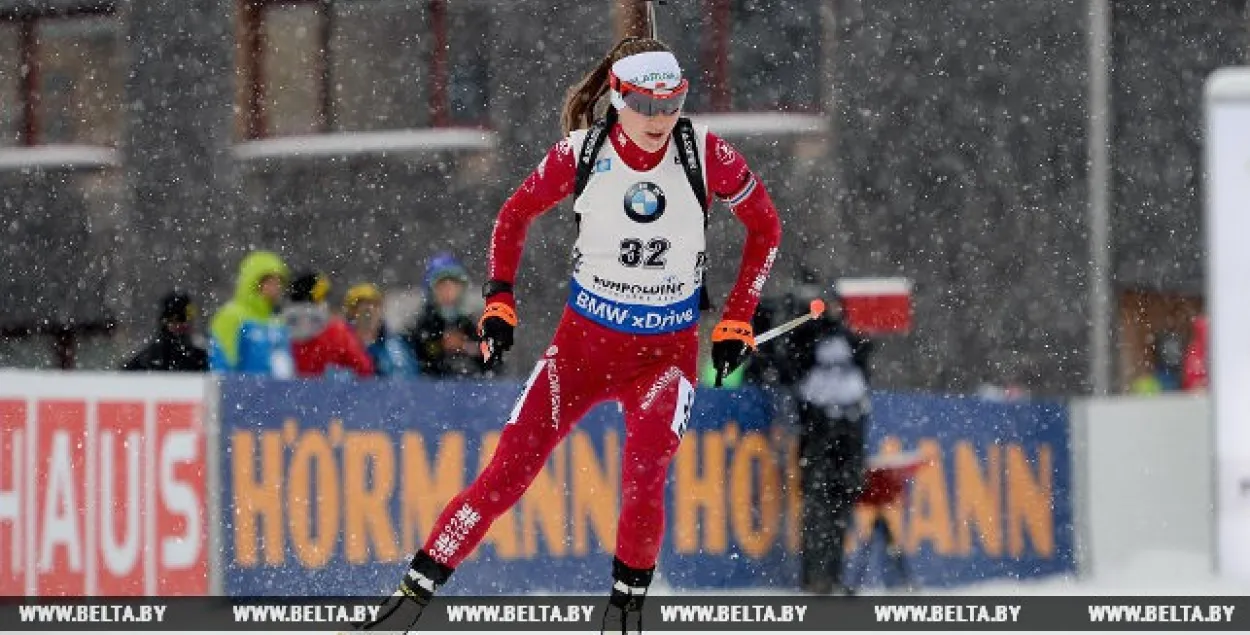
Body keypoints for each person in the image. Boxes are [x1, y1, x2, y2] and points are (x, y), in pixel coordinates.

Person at [360, 36, 781, 634]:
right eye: (647, 104)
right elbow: (513, 215)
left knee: (643, 477)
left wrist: (738, 315)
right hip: (581, 350)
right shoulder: (581, 153)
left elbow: (765, 225)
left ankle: (624, 615)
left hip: (664, 356)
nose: (662, 119)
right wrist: (500, 299)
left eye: (674, 102)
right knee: (507, 473)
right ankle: (412, 596)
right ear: (617, 98)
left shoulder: (706, 153)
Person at [779, 288, 873, 595]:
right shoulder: (806, 334)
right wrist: (815, 325)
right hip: (820, 429)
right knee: (819, 508)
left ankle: (832, 576)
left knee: (841, 508)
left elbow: (864, 362)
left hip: (849, 427)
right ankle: (816, 578)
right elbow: (793, 365)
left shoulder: (848, 338)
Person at [208, 250, 295, 377]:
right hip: (245, 393)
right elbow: (222, 365)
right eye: (270, 282)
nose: (276, 287)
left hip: (279, 395)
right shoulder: (230, 316)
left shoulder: (278, 321)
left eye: (279, 282)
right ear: (253, 282)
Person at [405, 253, 488, 377]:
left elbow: (493, 366)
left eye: (454, 285)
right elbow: (412, 366)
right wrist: (439, 347)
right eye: (442, 286)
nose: (449, 291)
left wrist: (466, 347)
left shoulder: (471, 325)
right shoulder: (420, 326)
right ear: (431, 290)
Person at [283, 271, 374, 378]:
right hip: (330, 393)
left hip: (286, 393)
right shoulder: (336, 331)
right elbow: (364, 368)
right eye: (324, 297)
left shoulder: (276, 329)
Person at [121, 290, 208, 372]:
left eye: (190, 317)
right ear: (166, 321)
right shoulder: (146, 360)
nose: (186, 324)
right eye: (180, 319)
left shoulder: (201, 359)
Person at [345, 282, 418, 378]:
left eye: (374, 306)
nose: (369, 312)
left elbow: (408, 379)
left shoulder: (395, 347)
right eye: (362, 307)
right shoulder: (340, 346)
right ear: (352, 313)